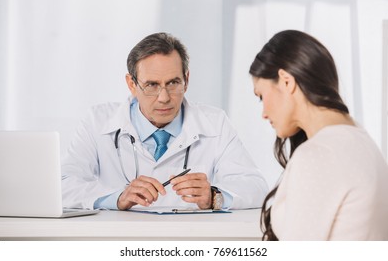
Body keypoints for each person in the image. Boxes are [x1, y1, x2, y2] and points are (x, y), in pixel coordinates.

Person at [62, 32, 268, 211]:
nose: (164, 97)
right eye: (151, 85)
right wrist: (116, 198)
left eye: (173, 83)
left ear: (186, 80)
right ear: (131, 84)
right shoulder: (97, 121)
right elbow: (63, 186)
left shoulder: (215, 123)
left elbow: (256, 187)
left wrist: (214, 197)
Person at [249, 30, 388, 240]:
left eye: (261, 96)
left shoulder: (319, 155)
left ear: (286, 81)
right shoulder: (362, 142)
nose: (264, 113)